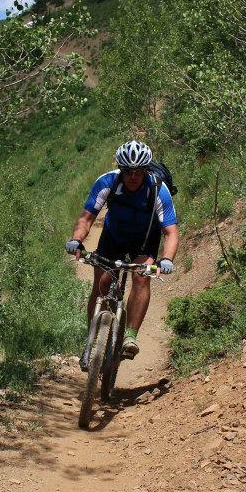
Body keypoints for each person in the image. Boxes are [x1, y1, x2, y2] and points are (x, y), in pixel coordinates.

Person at [66, 138, 179, 367]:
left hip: (144, 240)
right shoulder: (107, 182)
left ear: (146, 170)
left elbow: (170, 231)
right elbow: (87, 218)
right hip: (114, 236)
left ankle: (130, 336)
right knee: (102, 283)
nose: (133, 177)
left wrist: (166, 259)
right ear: (121, 169)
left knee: (141, 276)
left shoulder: (158, 189)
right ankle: (92, 341)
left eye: (138, 171)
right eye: (128, 171)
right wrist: (77, 240)